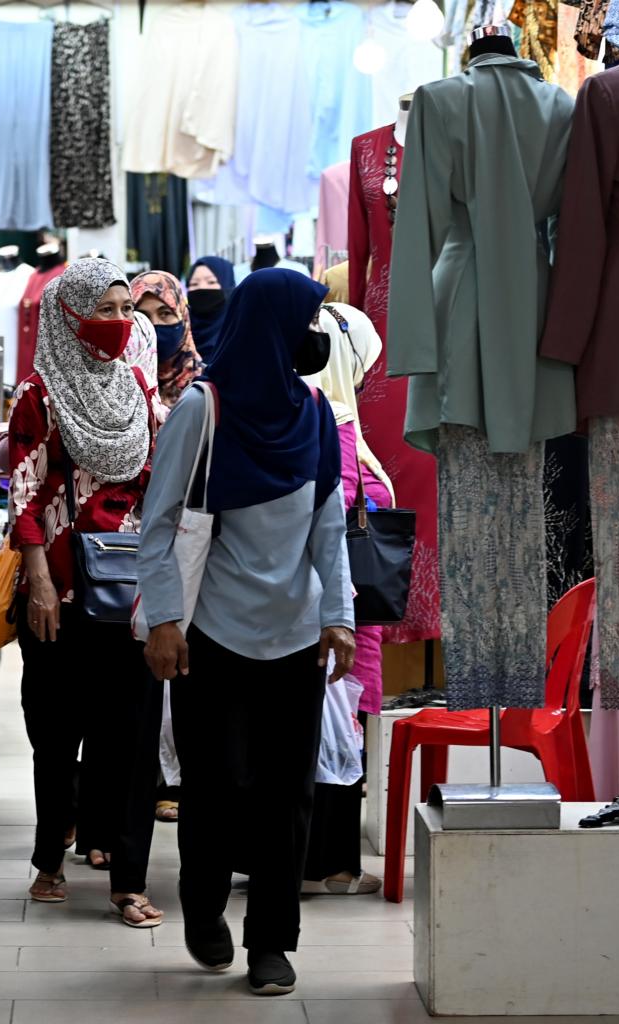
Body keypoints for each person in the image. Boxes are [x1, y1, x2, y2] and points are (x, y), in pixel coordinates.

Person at [139, 268, 356, 995]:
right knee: (215, 784)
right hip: (212, 634)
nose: (315, 337)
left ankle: (271, 941)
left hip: (295, 635)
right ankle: (204, 909)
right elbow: (159, 522)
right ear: (272, 328)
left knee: (287, 795)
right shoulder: (202, 409)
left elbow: (329, 524)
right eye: (308, 322)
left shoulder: (315, 413)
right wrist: (164, 619)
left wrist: (338, 616)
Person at [6, 257, 164, 928]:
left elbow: (158, 485)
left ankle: (129, 881)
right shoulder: (38, 396)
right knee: (54, 732)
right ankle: (49, 858)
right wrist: (39, 580)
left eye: (126, 309)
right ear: (68, 316)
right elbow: (23, 493)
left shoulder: (138, 389)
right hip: (61, 593)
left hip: (131, 592)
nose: (119, 321)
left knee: (131, 739)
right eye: (104, 309)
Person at [301, 301, 393, 896]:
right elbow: (337, 512)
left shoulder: (317, 417)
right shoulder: (334, 425)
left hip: (333, 607)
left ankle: (317, 860)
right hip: (339, 613)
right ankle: (327, 864)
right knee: (330, 733)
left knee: (325, 733)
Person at [130, 269, 203, 409]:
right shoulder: (118, 385)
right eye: (143, 316)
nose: (154, 325)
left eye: (165, 313)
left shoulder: (204, 386)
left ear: (183, 316)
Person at [184, 255, 236, 364]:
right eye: (194, 284)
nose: (202, 287)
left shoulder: (240, 334)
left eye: (211, 282)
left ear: (228, 286)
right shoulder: (179, 335)